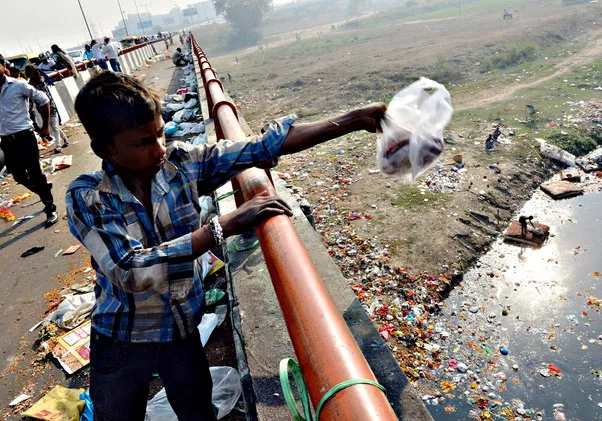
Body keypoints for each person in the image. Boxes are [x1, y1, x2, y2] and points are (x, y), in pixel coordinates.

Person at [67, 71, 385, 420]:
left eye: (159, 132)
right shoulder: (88, 196)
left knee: (199, 411)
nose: (159, 148)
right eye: (143, 142)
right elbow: (130, 269)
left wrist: (352, 120)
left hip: (180, 327)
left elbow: (263, 146)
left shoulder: (180, 164)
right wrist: (222, 226)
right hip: (122, 336)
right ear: (105, 149)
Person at [0, 57, 58, 226]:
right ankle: (43, 191)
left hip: (24, 136)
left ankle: (50, 208)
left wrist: (45, 126)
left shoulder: (19, 85)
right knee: (18, 175)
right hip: (6, 140)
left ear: (3, 66)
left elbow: (43, 100)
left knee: (35, 173)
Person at [25, 64, 69, 153]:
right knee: (54, 125)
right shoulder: (30, 84)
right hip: (41, 109)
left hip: (50, 106)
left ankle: (58, 146)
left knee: (54, 125)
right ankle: (65, 139)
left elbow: (47, 97)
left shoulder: (40, 81)